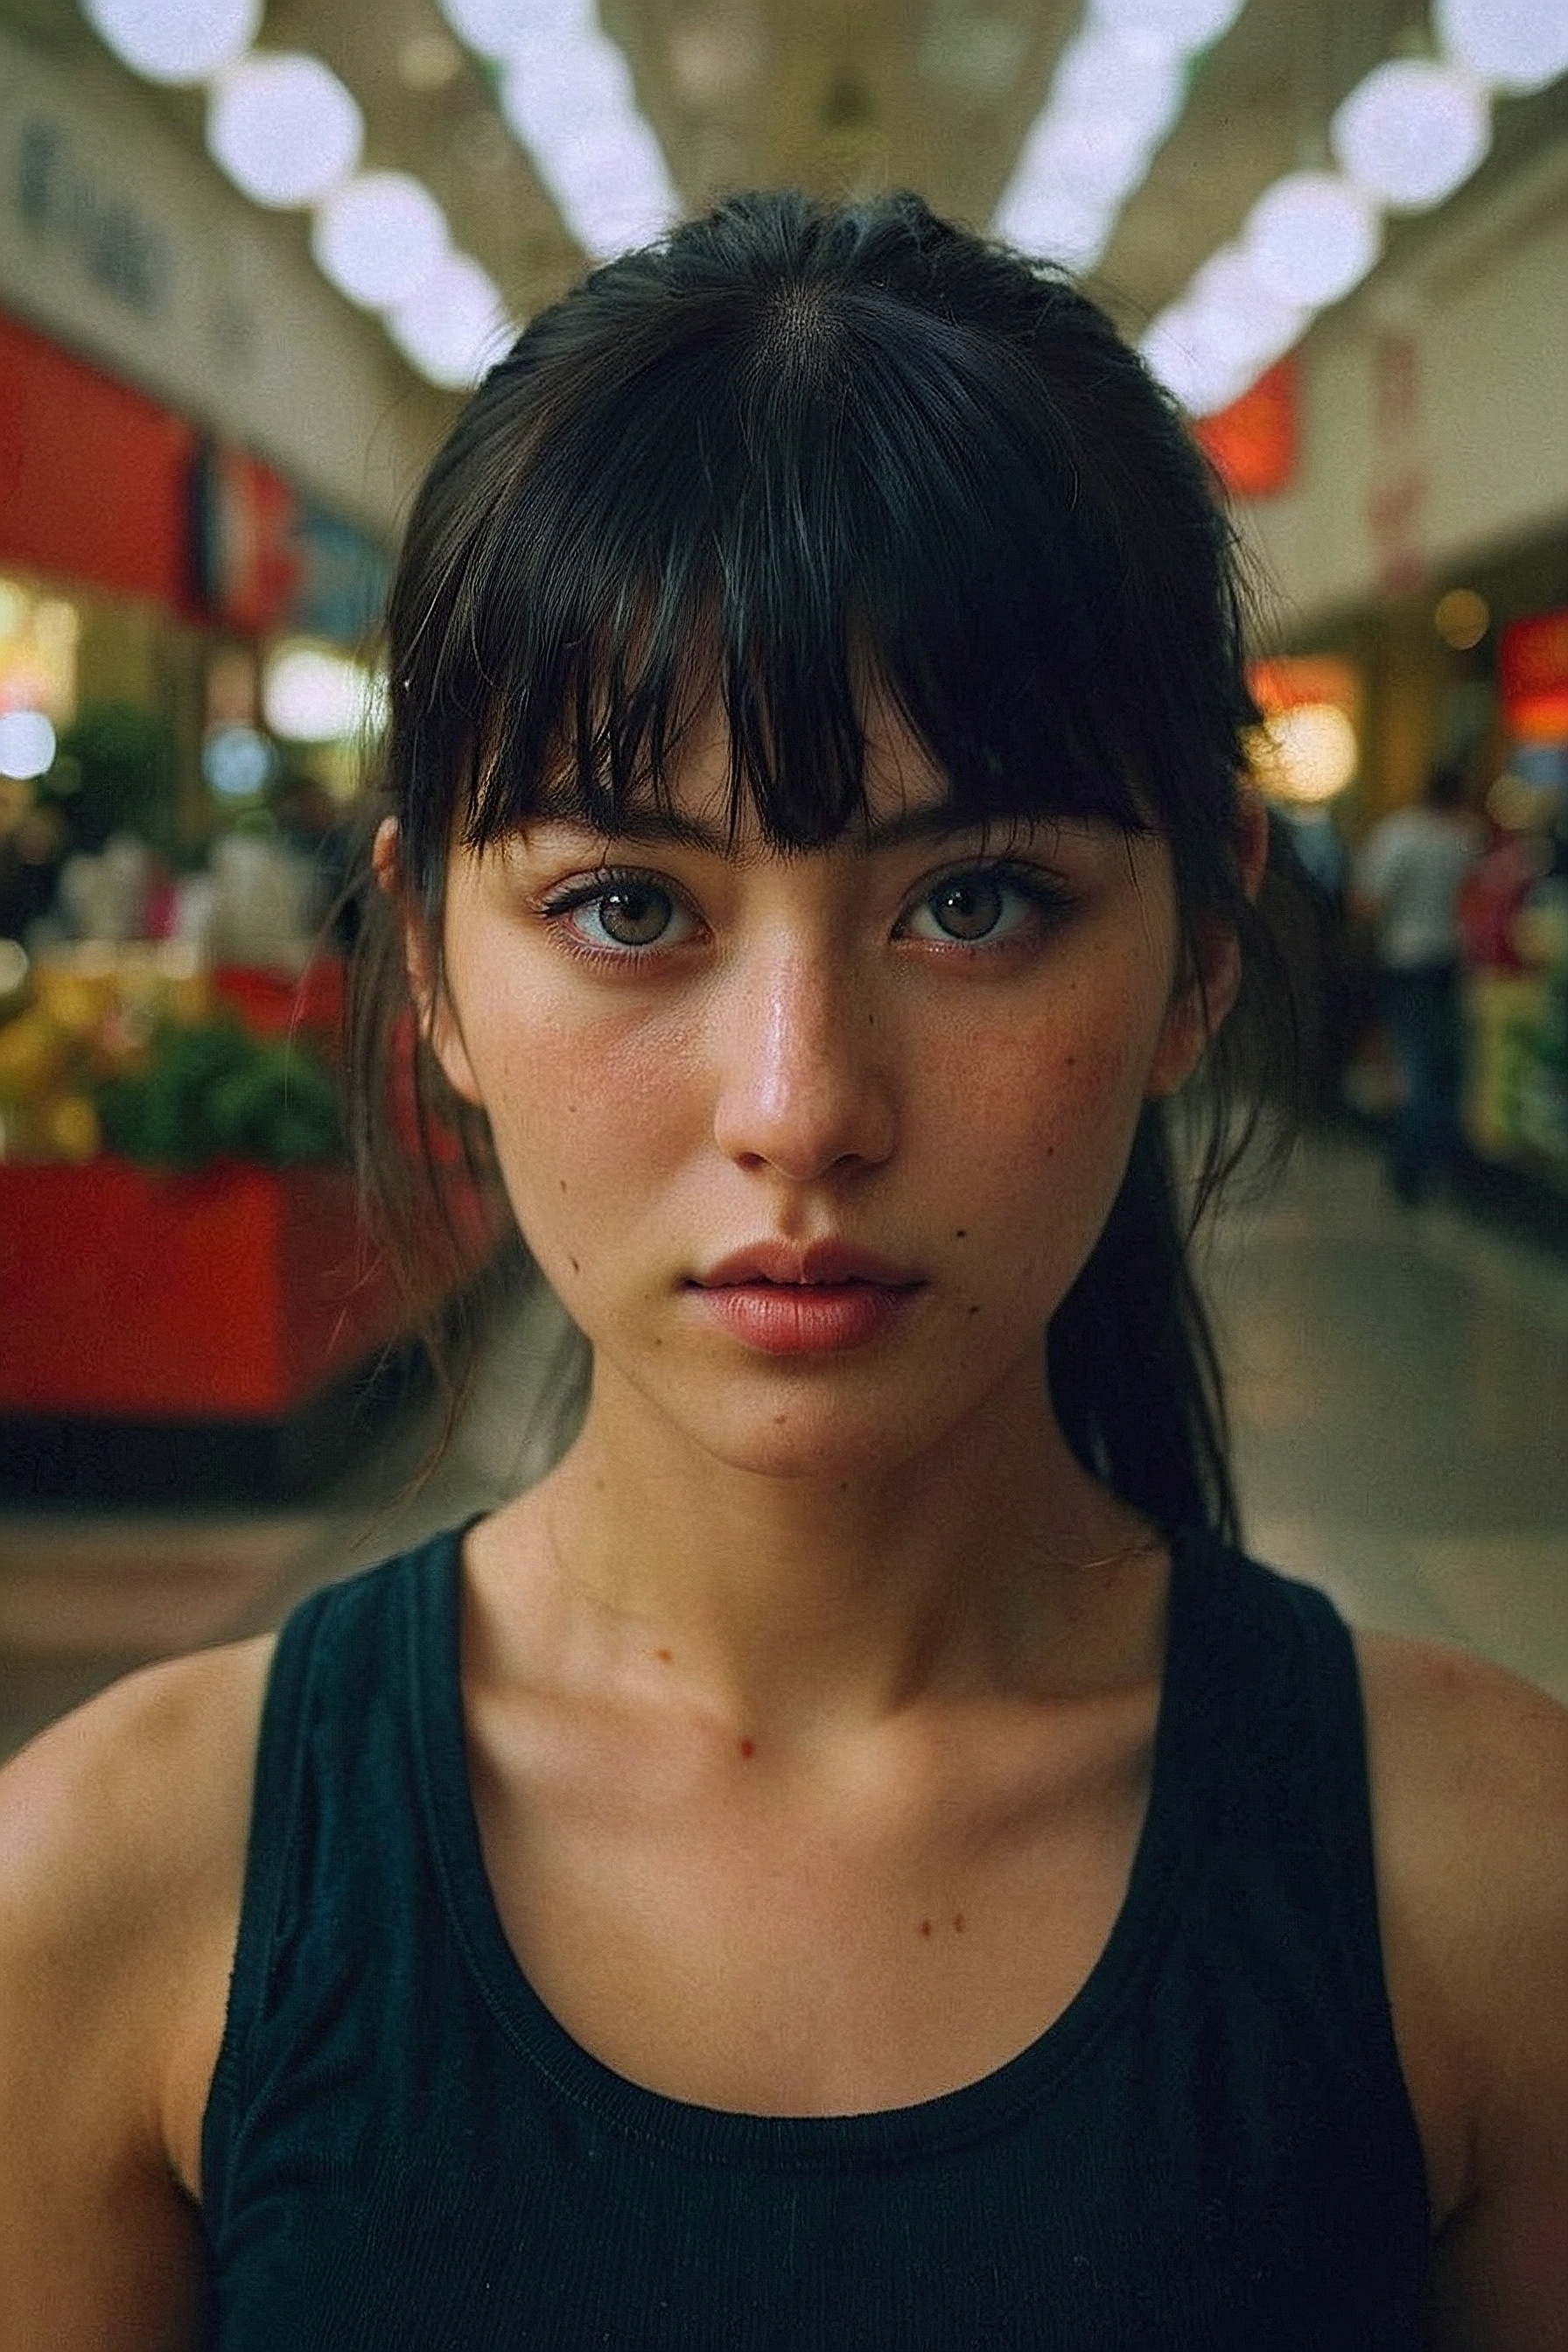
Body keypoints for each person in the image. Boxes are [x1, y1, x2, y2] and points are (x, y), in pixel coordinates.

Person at [2, 192, 1564, 2350]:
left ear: (1201, 947)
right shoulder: (110, 1901)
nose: (801, 1106)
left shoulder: (1493, 1892)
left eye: (983, 899)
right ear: (430, 968)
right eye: (629, 908)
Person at [1352, 761, 1481, 1203]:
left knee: (1414, 1062)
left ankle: (1410, 1166)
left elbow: (1367, 901)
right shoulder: (1466, 838)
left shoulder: (1401, 834)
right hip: (1450, 958)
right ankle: (1441, 1164)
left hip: (1406, 958)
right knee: (1445, 1064)